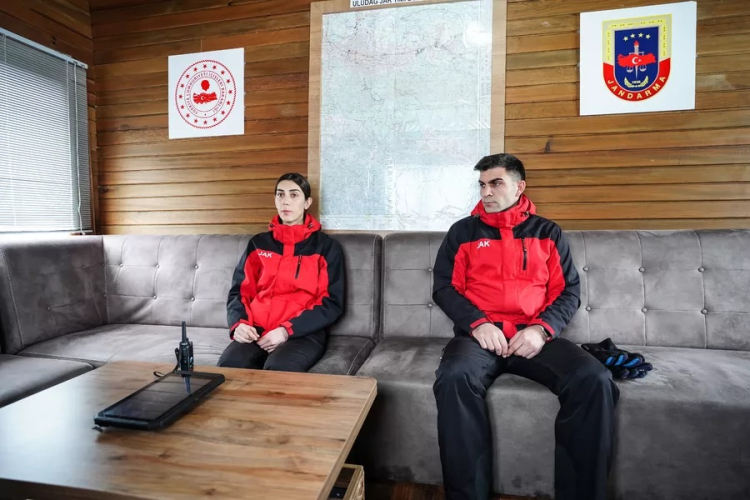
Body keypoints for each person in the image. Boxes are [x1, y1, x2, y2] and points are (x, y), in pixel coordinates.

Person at [432, 154, 619, 500]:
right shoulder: (462, 232)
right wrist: (478, 324)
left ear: (519, 187)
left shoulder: (548, 232)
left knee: (594, 380)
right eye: (482, 185)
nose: (486, 192)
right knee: (454, 377)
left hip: (534, 335)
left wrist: (541, 330)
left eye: (495, 183)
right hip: (479, 338)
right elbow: (444, 287)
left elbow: (568, 291)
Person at [218, 173, 344, 372]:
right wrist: (239, 324)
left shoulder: (326, 247)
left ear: (307, 202)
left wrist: (286, 330)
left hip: (302, 333)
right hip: (257, 331)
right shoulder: (258, 244)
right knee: (229, 367)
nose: (286, 201)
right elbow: (239, 292)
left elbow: (331, 303)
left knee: (279, 370)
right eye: (280, 194)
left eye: (294, 195)